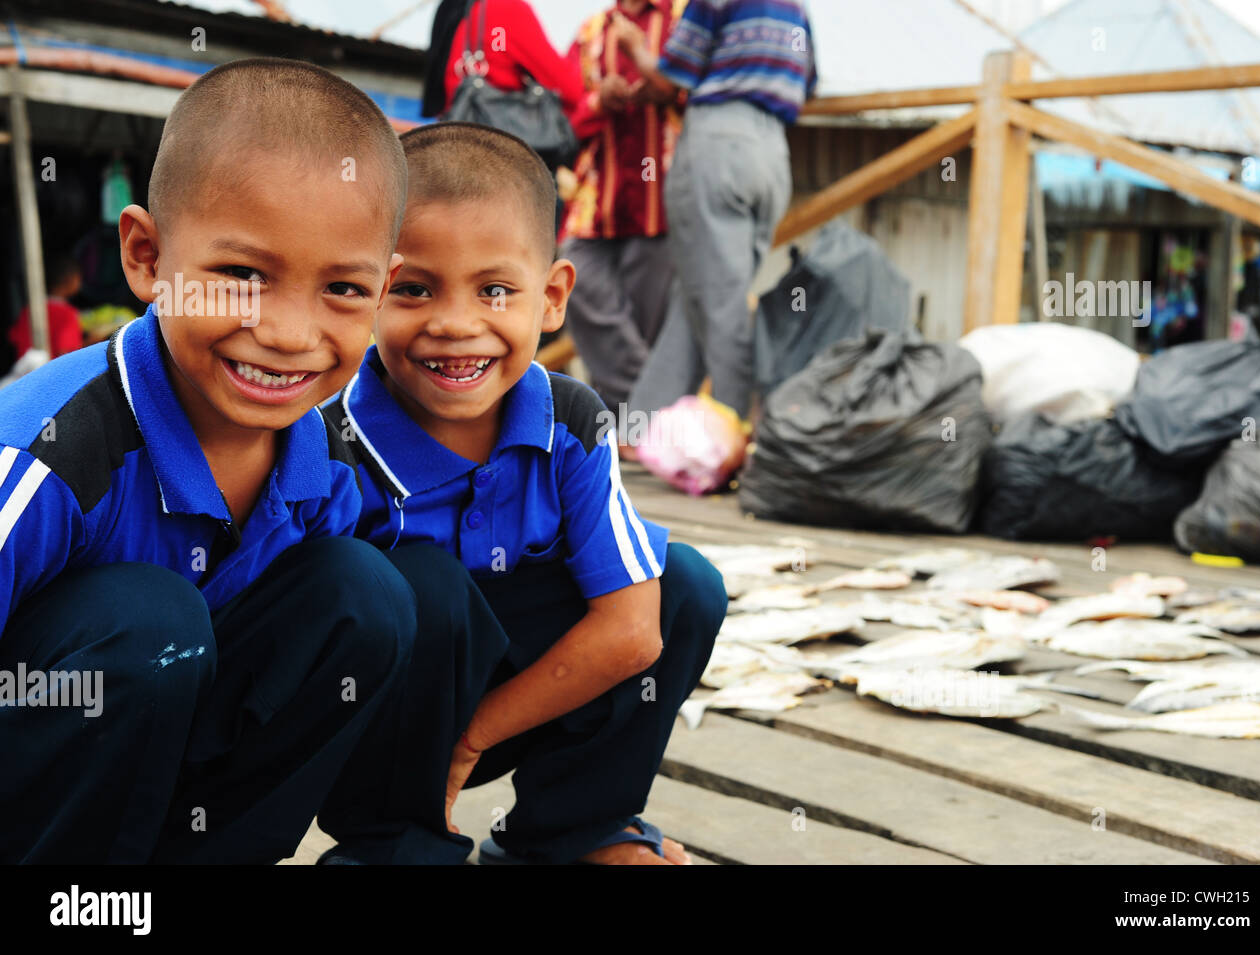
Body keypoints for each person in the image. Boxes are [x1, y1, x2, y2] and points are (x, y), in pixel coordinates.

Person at [0, 58, 488, 865]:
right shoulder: (51, 450)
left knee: (369, 592)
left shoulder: (324, 463)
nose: (292, 333)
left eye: (341, 288)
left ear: (384, 288)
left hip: (149, 779)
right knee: (153, 622)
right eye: (241, 275)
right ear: (147, 258)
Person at [323, 122, 727, 865]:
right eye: (411, 289)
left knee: (685, 585)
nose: (455, 325)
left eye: (496, 290)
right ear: (364, 290)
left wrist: (474, 735)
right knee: (425, 586)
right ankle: (395, 843)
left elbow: (634, 629)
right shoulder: (330, 443)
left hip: (503, 708)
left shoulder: (569, 419)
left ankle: (573, 831)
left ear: (552, 297)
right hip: (372, 727)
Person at [618, 0, 817, 419]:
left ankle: (732, 429)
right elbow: (809, 81)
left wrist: (635, 47)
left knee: (719, 305)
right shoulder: (795, 6)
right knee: (701, 294)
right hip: (773, 152)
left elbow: (667, 81)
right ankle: (646, 424)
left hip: (719, 143)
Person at [558, 0, 687, 413]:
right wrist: (599, 101)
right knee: (575, 281)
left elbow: (709, 95)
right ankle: (658, 410)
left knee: (645, 323)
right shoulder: (591, 32)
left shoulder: (685, 19)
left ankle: (624, 436)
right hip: (598, 197)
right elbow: (562, 118)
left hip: (662, 200)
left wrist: (663, 86)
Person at [421, 0, 584, 118]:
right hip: (495, 148)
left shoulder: (450, 9)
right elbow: (571, 90)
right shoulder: (507, 9)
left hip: (450, 138)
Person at [8, 254, 84, 361]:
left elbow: (14, 338)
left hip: (27, 373)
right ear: (69, 279)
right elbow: (66, 353)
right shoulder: (67, 314)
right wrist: (95, 341)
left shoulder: (29, 310)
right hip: (53, 374)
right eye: (79, 278)